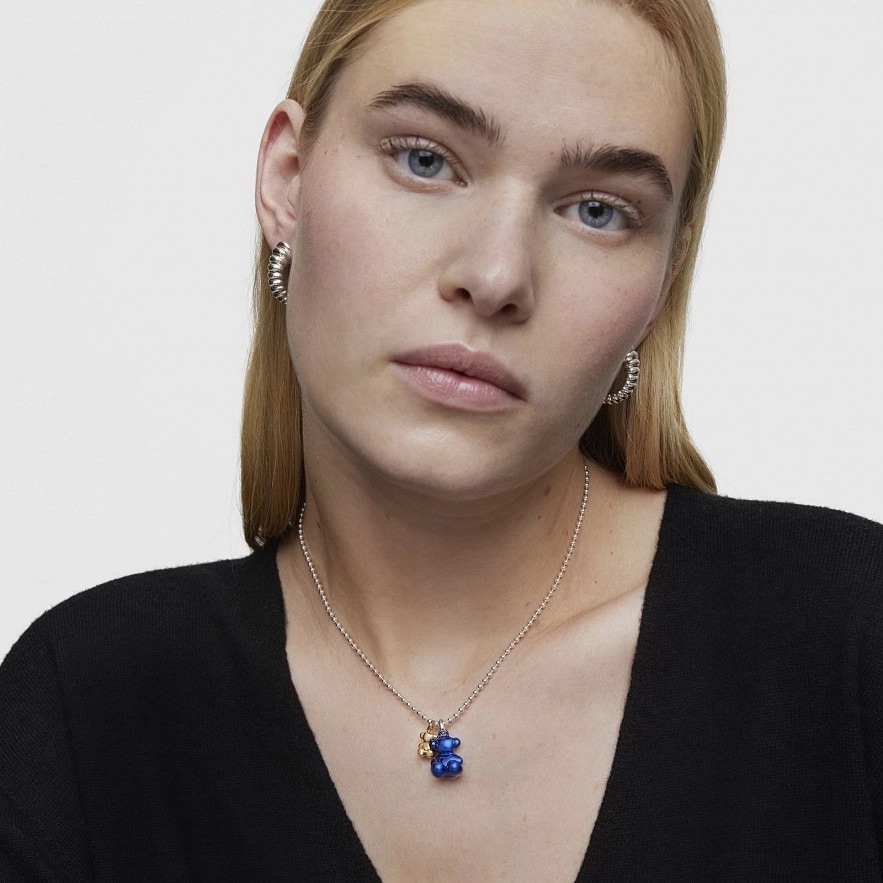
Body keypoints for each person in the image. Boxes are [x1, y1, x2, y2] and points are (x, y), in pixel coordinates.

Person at [1, 0, 881, 879]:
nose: (495, 276)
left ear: (662, 281)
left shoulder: (847, 635)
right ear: (287, 179)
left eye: (598, 211)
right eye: (424, 160)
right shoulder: (85, 709)